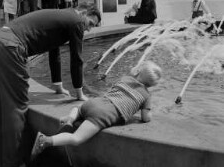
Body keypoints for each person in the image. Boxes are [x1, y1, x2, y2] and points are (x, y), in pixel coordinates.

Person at [0, 2, 101, 167]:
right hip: (10, 47)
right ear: (84, 13)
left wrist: (58, 86)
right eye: (91, 23)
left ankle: (4, 164)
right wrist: (79, 93)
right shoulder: (76, 21)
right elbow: (77, 59)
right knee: (16, 109)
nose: (89, 29)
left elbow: (54, 53)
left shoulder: (62, 15)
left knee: (1, 108)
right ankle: (15, 165)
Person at [30, 61, 162, 160]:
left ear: (138, 72)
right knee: (76, 139)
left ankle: (70, 120)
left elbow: (112, 91)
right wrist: (147, 111)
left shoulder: (125, 79)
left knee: (79, 108)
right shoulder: (146, 96)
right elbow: (145, 118)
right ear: (152, 84)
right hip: (103, 115)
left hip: (94, 102)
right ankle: (45, 140)